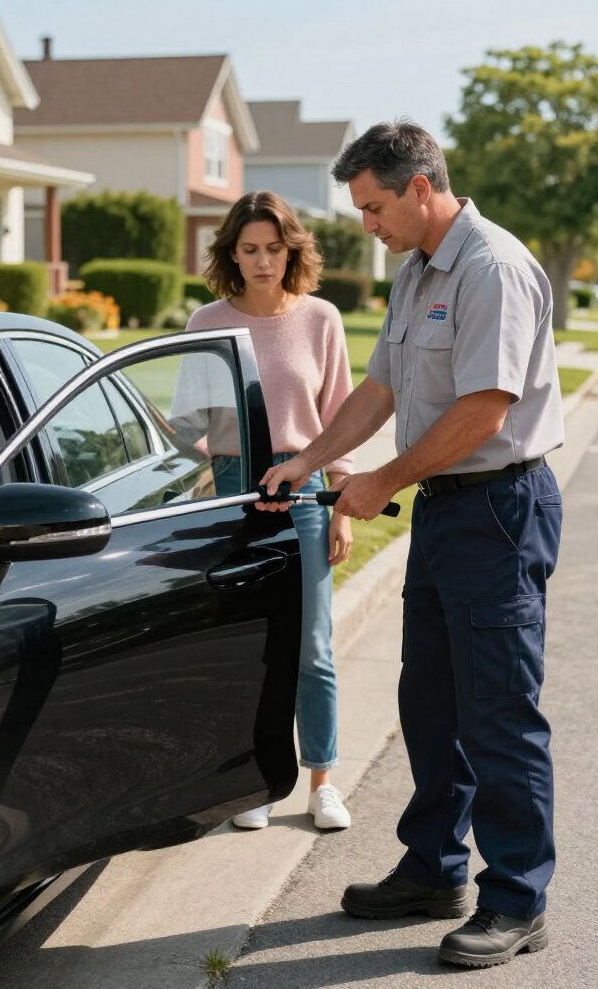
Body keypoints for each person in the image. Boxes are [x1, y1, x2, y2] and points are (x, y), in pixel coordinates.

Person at [262, 120, 565, 968]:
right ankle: (434, 868)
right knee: (430, 702)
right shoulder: (414, 271)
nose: (367, 225)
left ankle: (517, 899)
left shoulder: (492, 268)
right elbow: (383, 384)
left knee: (498, 709)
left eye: (373, 207)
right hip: (444, 511)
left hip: (500, 508)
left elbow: (483, 411)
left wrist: (381, 481)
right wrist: (310, 460)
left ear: (420, 188)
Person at [187, 190, 355, 831]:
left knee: (313, 644)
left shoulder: (321, 319)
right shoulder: (207, 323)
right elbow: (189, 424)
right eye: (250, 250)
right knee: (251, 645)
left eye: (274, 249)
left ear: (293, 250)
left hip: (307, 490)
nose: (263, 262)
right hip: (234, 491)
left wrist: (340, 502)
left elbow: (339, 415)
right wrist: (213, 475)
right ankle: (255, 784)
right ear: (232, 253)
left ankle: (321, 783)